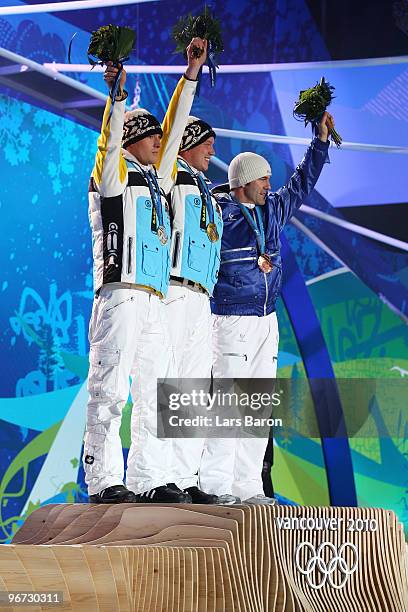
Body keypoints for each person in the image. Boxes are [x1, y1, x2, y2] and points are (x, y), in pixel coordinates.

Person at [83, 38, 208, 504]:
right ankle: (103, 480)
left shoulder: (159, 180)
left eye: (161, 135)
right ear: (131, 138)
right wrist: (116, 97)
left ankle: (147, 477)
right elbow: (108, 142)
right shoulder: (112, 176)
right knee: (111, 388)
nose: (162, 140)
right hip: (120, 296)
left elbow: (176, 130)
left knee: (157, 396)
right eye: (151, 134)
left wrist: (190, 74)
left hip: (155, 300)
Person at [199, 112, 334, 503]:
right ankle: (217, 486)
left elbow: (302, 183)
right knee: (228, 403)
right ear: (243, 182)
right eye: (262, 179)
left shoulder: (273, 211)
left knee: (257, 406)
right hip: (229, 319)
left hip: (266, 320)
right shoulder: (218, 215)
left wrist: (320, 142)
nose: (268, 185)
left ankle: (247, 486)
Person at [161, 116, 237, 504]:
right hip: (174, 289)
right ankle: (159, 477)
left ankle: (185, 477)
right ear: (188, 142)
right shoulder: (172, 173)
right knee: (171, 385)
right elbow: (171, 131)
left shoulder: (205, 187)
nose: (213, 150)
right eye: (207, 142)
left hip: (202, 297)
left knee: (194, 391)